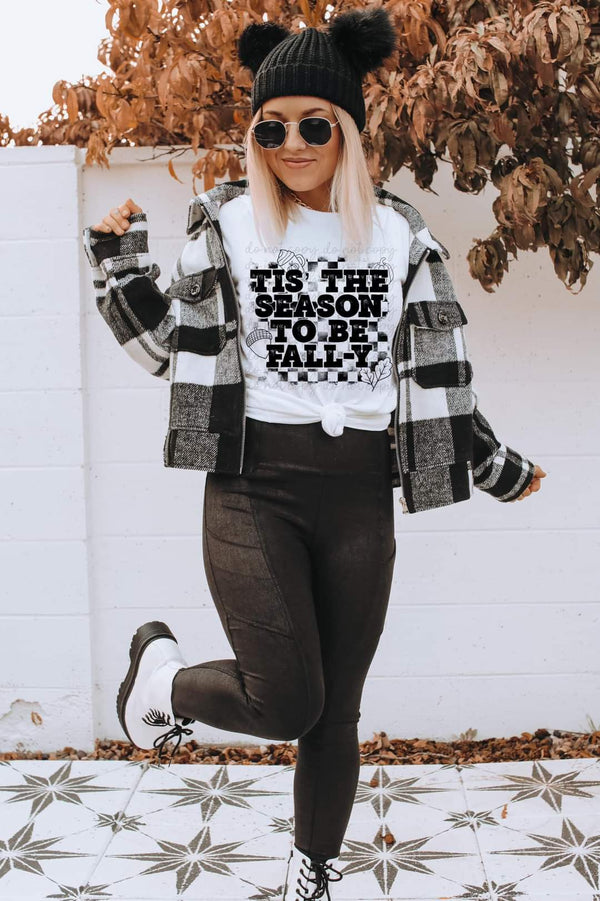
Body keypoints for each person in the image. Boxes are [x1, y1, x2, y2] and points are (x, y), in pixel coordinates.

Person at [81, 8, 546, 899]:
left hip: (361, 495)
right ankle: (164, 682)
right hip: (253, 486)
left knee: (335, 710)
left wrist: (495, 466)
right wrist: (119, 260)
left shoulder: (401, 235)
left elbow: (437, 374)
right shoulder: (229, 223)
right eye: (272, 127)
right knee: (287, 697)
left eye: (313, 125)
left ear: (349, 132)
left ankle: (313, 873)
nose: (292, 144)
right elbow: (173, 352)